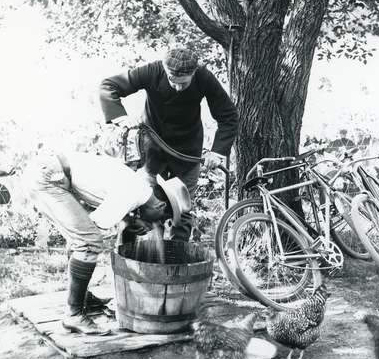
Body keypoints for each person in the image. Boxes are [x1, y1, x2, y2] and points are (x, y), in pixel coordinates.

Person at [24, 149, 188, 335]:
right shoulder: (131, 193)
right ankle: (74, 313)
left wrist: (131, 220)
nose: (155, 225)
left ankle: (83, 297)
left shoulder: (136, 188)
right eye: (159, 220)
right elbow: (97, 225)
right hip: (48, 178)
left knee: (80, 235)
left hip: (48, 172)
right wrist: (130, 221)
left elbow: (110, 213)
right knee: (88, 241)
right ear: (161, 205)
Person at [99, 45, 238, 241]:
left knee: (182, 211)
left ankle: (176, 264)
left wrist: (216, 152)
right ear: (165, 70)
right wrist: (121, 118)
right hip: (152, 153)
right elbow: (108, 86)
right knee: (143, 208)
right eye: (174, 81)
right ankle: (128, 261)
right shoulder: (152, 71)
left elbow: (229, 116)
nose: (178, 88)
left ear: (193, 73)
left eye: (184, 83)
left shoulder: (204, 77)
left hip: (187, 154)